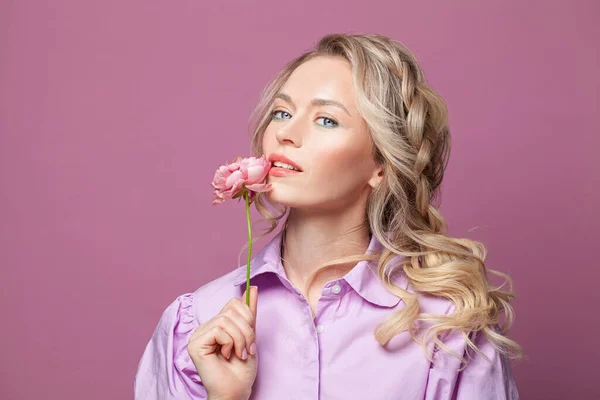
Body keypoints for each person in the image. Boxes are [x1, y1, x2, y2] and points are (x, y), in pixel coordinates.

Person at [134, 33, 524, 400]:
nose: (287, 133)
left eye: (326, 120)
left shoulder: (448, 326)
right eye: (282, 112)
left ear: (382, 165)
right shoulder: (196, 320)